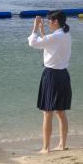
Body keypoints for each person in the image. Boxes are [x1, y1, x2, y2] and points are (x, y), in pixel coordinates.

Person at [28, 10, 72, 153]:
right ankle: (62, 144)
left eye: (49, 21)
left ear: (56, 21)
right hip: (63, 75)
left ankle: (45, 147)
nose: (48, 23)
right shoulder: (65, 34)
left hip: (52, 75)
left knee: (48, 113)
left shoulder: (55, 36)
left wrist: (35, 27)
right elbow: (50, 45)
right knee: (61, 112)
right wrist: (42, 32)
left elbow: (32, 43)